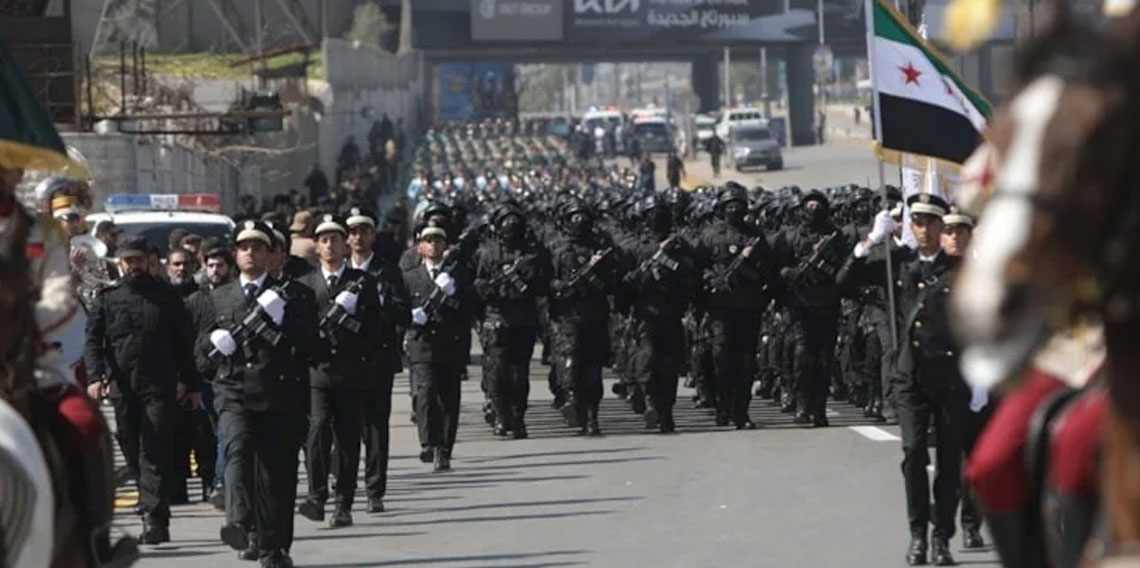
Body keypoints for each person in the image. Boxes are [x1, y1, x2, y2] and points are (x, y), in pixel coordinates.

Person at [840, 193, 966, 566]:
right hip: (910, 376)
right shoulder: (898, 262)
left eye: (931, 223)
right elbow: (844, 282)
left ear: (943, 228)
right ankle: (917, 535)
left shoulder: (961, 270)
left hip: (950, 377)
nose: (924, 229)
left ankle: (942, 536)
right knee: (913, 453)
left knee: (948, 461)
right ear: (910, 226)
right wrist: (871, 241)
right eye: (918, 222)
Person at [200, 220, 318, 567]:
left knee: (276, 474)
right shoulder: (217, 297)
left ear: (271, 255)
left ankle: (274, 546)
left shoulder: (297, 295)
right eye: (244, 247)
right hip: (233, 391)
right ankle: (240, 523)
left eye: (258, 247)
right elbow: (199, 356)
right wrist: (212, 343)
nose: (250, 252)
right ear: (235, 254)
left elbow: (312, 349)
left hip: (279, 395)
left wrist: (285, 322)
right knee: (237, 450)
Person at [83, 235, 202, 545]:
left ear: (149, 261)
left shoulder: (168, 298)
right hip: (123, 388)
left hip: (159, 387)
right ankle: (148, 497)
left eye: (139, 260)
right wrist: (95, 378)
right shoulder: (107, 299)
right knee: (131, 448)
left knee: (155, 449)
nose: (134, 266)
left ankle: (155, 519)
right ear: (120, 264)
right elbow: (94, 343)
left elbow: (183, 346)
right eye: (128, 261)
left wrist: (191, 384)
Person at [296, 214, 384, 529]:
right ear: (317, 247)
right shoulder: (305, 285)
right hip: (318, 372)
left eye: (335, 238)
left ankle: (344, 502)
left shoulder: (364, 283)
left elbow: (377, 329)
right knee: (317, 432)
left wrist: (352, 321)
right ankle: (316, 494)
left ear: (345, 244)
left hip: (351, 372)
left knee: (348, 440)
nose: (330, 245)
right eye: (324, 240)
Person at [346, 207, 410, 512]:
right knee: (343, 425)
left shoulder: (387, 270)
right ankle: (342, 482)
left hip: (376, 359)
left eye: (364, 231)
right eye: (353, 232)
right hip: (342, 361)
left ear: (373, 235)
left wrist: (382, 304)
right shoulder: (340, 272)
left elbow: (403, 313)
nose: (358, 237)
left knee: (374, 427)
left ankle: (374, 489)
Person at [617, 196, 699, 433]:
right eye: (652, 213)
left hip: (672, 313)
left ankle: (666, 411)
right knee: (648, 359)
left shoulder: (681, 247)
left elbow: (692, 280)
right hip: (646, 314)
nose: (656, 218)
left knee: (670, 366)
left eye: (660, 213)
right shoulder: (634, 247)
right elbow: (623, 284)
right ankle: (651, 402)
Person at [472, 203, 552, 439]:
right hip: (496, 320)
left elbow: (542, 287)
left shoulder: (533, 254)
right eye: (505, 223)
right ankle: (501, 416)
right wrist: (486, 292)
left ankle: (517, 418)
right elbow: (476, 285)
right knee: (497, 375)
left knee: (519, 376)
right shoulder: (487, 253)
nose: (510, 228)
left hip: (523, 320)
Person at [772, 191, 851, 427]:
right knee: (802, 358)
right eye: (810, 205)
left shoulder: (836, 237)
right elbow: (777, 269)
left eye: (818, 205)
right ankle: (802, 405)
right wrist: (789, 274)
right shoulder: (791, 237)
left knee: (824, 360)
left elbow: (845, 270)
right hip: (800, 306)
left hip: (827, 305)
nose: (813, 209)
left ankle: (819, 409)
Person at [696, 185, 773, 429]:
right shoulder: (710, 235)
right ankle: (722, 407)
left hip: (748, 307)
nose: (734, 209)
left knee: (746, 362)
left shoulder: (756, 236)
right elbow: (698, 267)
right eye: (729, 205)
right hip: (720, 307)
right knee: (721, 358)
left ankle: (741, 411)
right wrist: (711, 280)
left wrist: (752, 261)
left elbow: (769, 271)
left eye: (738, 205)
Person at [403, 225, 478, 472]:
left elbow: (471, 309)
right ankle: (428, 442)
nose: (433, 244)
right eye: (428, 240)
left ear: (445, 246)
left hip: (449, 343)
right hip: (422, 344)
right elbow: (399, 308)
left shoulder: (458, 275)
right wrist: (411, 317)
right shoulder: (411, 276)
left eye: (438, 240)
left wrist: (451, 297)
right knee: (424, 394)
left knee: (448, 399)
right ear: (419, 246)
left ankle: (444, 449)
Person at [549, 201, 617, 436]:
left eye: (583, 216)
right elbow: (546, 281)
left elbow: (612, 283)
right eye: (574, 217)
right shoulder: (557, 249)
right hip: (568, 316)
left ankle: (592, 417)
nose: (579, 221)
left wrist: (595, 281)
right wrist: (563, 287)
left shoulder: (601, 250)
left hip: (595, 316)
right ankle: (572, 401)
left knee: (593, 370)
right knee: (571, 361)